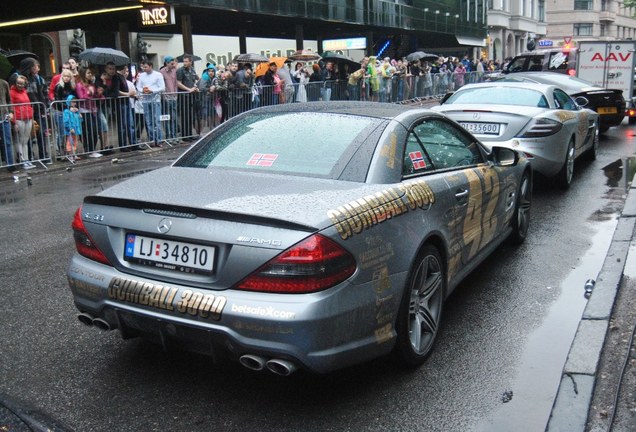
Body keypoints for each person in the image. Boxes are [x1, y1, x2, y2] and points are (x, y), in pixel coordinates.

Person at [17, 57, 49, 163]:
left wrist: (43, 106)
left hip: (37, 108)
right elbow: (27, 93)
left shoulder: (35, 78)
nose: (37, 68)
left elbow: (40, 93)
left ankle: (43, 155)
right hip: (26, 110)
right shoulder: (20, 77)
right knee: (27, 135)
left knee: (39, 132)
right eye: (35, 65)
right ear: (30, 67)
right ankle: (27, 156)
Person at [136, 60, 165, 147]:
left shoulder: (158, 75)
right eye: (143, 67)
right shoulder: (141, 75)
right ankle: (152, 139)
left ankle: (159, 140)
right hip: (145, 100)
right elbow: (138, 86)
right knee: (148, 121)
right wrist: (143, 90)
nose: (144, 68)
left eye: (145, 67)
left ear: (150, 66)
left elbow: (162, 87)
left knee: (157, 120)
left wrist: (152, 90)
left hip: (155, 100)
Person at [9, 75, 35, 170]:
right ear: (15, 83)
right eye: (18, 83)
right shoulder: (11, 92)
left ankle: (27, 159)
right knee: (19, 140)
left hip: (27, 117)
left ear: (24, 84)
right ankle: (22, 159)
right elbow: (10, 107)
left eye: (22, 83)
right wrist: (14, 122)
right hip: (18, 118)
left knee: (25, 140)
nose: (20, 85)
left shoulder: (24, 91)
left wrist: (31, 116)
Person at [75, 66, 101, 154]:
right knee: (88, 131)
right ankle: (89, 149)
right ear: (83, 74)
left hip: (93, 110)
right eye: (88, 73)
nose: (90, 75)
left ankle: (92, 149)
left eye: (91, 73)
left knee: (95, 130)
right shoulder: (79, 85)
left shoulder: (91, 85)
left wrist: (99, 94)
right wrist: (88, 93)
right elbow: (81, 97)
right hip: (84, 111)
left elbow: (95, 96)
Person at [52, 69, 77, 157]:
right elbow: (58, 101)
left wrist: (72, 107)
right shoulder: (59, 86)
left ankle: (67, 151)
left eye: (68, 76)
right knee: (61, 132)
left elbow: (74, 98)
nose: (66, 78)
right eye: (64, 76)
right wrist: (69, 107)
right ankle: (60, 152)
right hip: (59, 111)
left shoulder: (71, 86)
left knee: (68, 131)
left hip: (68, 112)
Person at [176, 54, 200, 141]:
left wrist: (196, 87)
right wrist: (188, 89)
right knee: (185, 116)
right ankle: (185, 135)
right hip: (184, 96)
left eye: (186, 61)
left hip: (192, 96)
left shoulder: (192, 70)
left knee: (190, 116)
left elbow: (198, 79)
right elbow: (178, 83)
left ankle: (189, 134)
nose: (185, 63)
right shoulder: (180, 70)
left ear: (190, 62)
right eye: (184, 61)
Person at [160, 56, 178, 143]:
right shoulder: (162, 72)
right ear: (166, 63)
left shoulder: (174, 71)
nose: (173, 65)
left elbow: (175, 83)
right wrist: (164, 96)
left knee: (173, 117)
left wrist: (176, 94)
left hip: (174, 97)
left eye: (173, 63)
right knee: (167, 117)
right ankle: (168, 136)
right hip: (166, 97)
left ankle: (174, 136)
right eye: (171, 63)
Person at [0, 78, 15, 171]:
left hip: (4, 116)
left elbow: (9, 99)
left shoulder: (3, 83)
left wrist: (11, 112)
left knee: (8, 141)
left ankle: (10, 164)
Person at [63, 95, 82, 160]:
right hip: (70, 130)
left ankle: (74, 154)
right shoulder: (66, 111)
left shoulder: (76, 111)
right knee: (70, 142)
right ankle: (70, 155)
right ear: (69, 102)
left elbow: (80, 120)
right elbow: (66, 121)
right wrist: (70, 128)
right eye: (72, 102)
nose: (74, 103)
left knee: (75, 142)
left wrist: (79, 114)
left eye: (75, 102)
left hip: (76, 129)